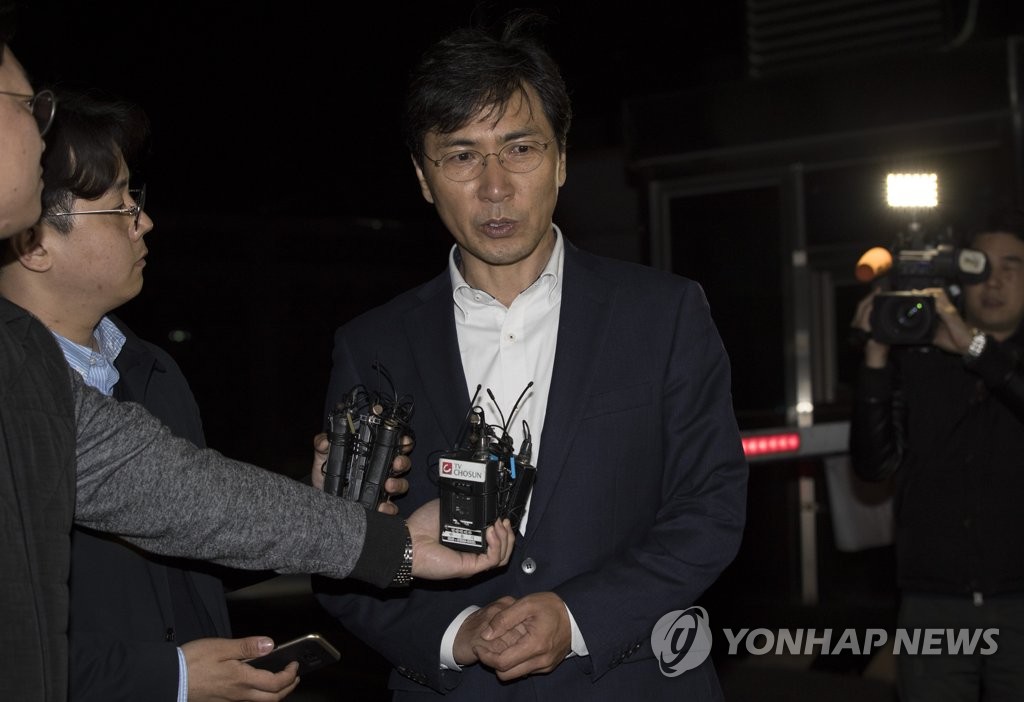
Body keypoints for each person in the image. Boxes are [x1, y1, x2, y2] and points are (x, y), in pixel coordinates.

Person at [0, 11, 514, 702]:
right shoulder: (22, 379)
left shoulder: (142, 372)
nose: (144, 221)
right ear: (37, 241)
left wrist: (327, 509)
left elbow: (191, 512)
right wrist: (171, 677)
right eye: (22, 105)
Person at [314, 12, 748, 700]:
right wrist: (454, 634)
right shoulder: (372, 346)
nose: (495, 187)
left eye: (520, 149)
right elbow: (340, 548)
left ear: (562, 159)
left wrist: (578, 617)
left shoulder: (662, 314)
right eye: (462, 156)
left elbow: (710, 508)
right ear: (423, 177)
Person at [849, 210, 1024, 702]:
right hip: (933, 602)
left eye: (1011, 267)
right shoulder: (920, 356)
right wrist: (876, 359)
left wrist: (975, 349)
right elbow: (873, 466)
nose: (993, 281)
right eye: (979, 266)